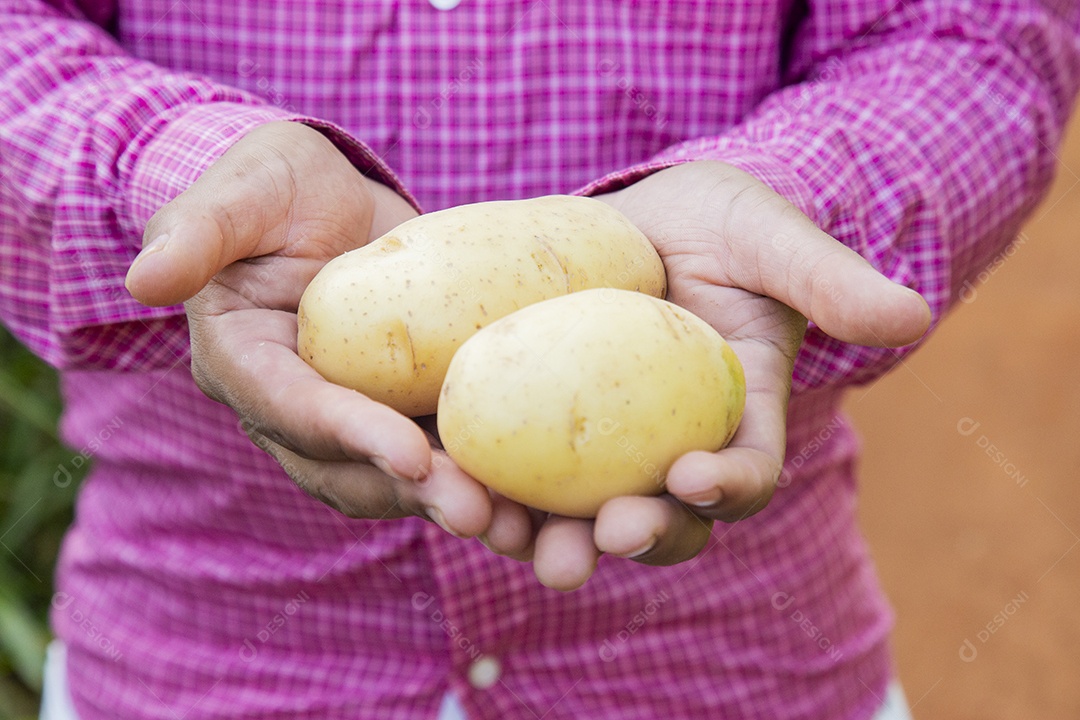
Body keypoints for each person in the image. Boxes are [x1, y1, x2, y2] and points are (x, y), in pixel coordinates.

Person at [2, 0, 1078, 718]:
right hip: (206, 660)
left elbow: (970, 34)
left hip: (730, 668)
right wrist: (176, 168)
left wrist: (793, 188)